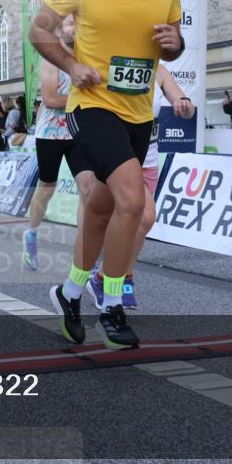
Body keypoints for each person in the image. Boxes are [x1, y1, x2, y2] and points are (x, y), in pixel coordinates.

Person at [29, 0, 184, 350]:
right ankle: (111, 302)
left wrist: (175, 41)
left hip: (138, 112)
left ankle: (69, 291)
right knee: (132, 202)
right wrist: (73, 66)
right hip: (92, 106)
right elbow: (40, 30)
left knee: (101, 203)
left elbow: (170, 49)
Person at [89, 63, 194, 310]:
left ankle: (119, 275)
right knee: (146, 217)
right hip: (121, 156)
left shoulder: (159, 69)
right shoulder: (117, 63)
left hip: (149, 159)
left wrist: (184, 105)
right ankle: (107, 276)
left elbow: (185, 107)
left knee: (133, 222)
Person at [22, 14, 95, 271]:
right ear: (60, 29)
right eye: (69, 24)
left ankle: (86, 249)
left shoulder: (87, 55)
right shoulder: (52, 56)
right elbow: (51, 98)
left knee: (88, 189)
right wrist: (88, 101)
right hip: (51, 132)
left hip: (78, 131)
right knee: (47, 188)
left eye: (78, 23)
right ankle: (31, 232)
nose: (74, 28)